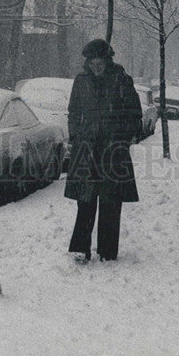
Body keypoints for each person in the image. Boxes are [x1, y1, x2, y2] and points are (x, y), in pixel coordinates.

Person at [64, 38, 142, 263]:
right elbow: (73, 111)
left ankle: (108, 251)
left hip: (112, 150)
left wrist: (122, 137)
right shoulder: (81, 82)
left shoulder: (121, 80)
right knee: (85, 200)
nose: (96, 66)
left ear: (107, 61)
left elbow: (134, 112)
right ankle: (81, 248)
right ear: (88, 62)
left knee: (110, 200)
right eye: (93, 62)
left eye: (100, 62)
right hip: (87, 149)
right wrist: (76, 135)